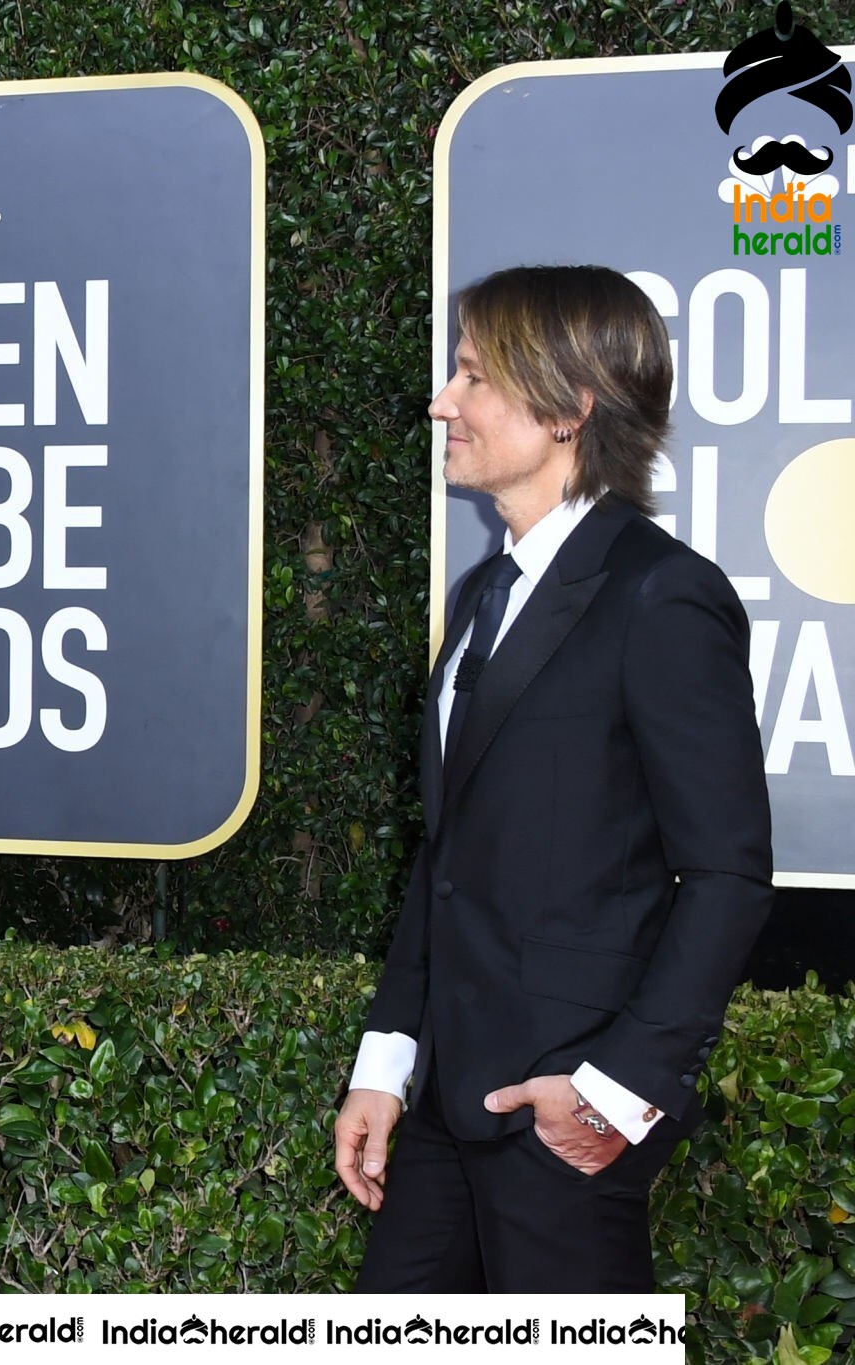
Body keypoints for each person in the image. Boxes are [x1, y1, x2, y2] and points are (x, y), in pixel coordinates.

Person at [333, 264, 773, 1293]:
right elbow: (447, 861)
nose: (441, 400)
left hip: (559, 1108)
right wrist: (385, 1067)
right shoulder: (485, 591)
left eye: (473, 375)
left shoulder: (660, 599)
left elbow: (726, 874)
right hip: (446, 1101)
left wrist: (615, 1091)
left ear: (569, 406)